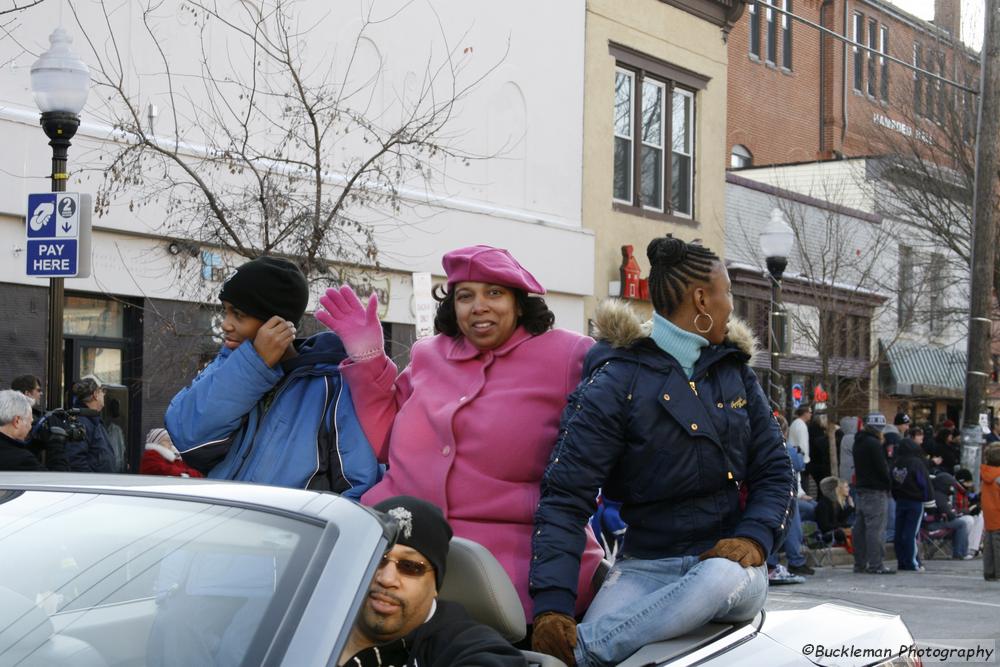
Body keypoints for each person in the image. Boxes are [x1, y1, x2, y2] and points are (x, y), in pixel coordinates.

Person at [528, 236, 793, 667]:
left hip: (728, 566)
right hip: (643, 566)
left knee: (717, 577)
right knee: (574, 636)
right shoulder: (616, 380)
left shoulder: (735, 373)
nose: (731, 306)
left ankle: (585, 650)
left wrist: (754, 538)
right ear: (702, 298)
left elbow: (775, 471)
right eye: (727, 295)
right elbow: (565, 496)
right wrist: (552, 604)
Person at [316, 245, 604, 620]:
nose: (478, 306)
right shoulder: (428, 355)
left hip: (512, 571)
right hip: (398, 552)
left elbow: (622, 430)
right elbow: (386, 441)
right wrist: (368, 359)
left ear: (520, 303)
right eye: (465, 296)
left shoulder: (570, 355)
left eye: (494, 293)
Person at [165, 256, 378, 496]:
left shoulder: (332, 386)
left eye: (238, 314)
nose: (225, 324)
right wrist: (253, 363)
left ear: (276, 323)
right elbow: (188, 437)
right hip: (220, 524)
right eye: (225, 311)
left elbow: (359, 485)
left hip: (289, 531)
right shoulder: (229, 364)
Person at [340, 496, 527, 666]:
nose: (387, 579)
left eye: (410, 566)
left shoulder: (460, 642)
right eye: (377, 558)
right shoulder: (322, 613)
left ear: (436, 583)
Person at [852, 413, 894, 574]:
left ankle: (860, 563)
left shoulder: (859, 442)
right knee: (875, 529)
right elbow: (881, 468)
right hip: (876, 491)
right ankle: (876, 564)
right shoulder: (874, 444)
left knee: (860, 528)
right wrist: (888, 484)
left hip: (861, 489)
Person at [890, 437, 932, 571]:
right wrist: (929, 500)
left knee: (899, 532)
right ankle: (912, 562)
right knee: (911, 533)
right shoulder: (916, 463)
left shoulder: (895, 463)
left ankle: (902, 561)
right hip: (915, 501)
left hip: (900, 500)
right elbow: (924, 483)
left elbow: (892, 483)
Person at [0, 390, 68, 471]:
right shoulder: (22, 460)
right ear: (17, 421)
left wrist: (34, 447)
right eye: (30, 422)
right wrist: (56, 445)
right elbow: (58, 480)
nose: (30, 427)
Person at [65, 377, 117, 473]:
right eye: (102, 391)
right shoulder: (81, 422)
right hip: (93, 485)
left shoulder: (92, 420)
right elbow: (76, 461)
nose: (104, 394)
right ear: (95, 394)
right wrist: (93, 482)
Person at [140, 428, 204, 478]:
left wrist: (184, 473)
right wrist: (184, 474)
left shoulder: (173, 458)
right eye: (166, 441)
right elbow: (163, 470)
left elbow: (198, 474)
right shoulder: (150, 456)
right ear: (157, 441)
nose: (170, 443)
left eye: (170, 441)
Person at [815, 476, 853, 547]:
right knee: (841, 533)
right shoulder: (823, 504)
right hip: (827, 534)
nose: (839, 490)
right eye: (838, 488)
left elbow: (840, 519)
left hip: (835, 531)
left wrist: (850, 507)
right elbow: (825, 527)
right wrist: (842, 527)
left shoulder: (835, 503)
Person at [981, 445, 1000, 581]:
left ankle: (989, 572)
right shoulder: (999, 476)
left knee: (989, 544)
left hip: (989, 514)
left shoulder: (986, 473)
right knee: (998, 545)